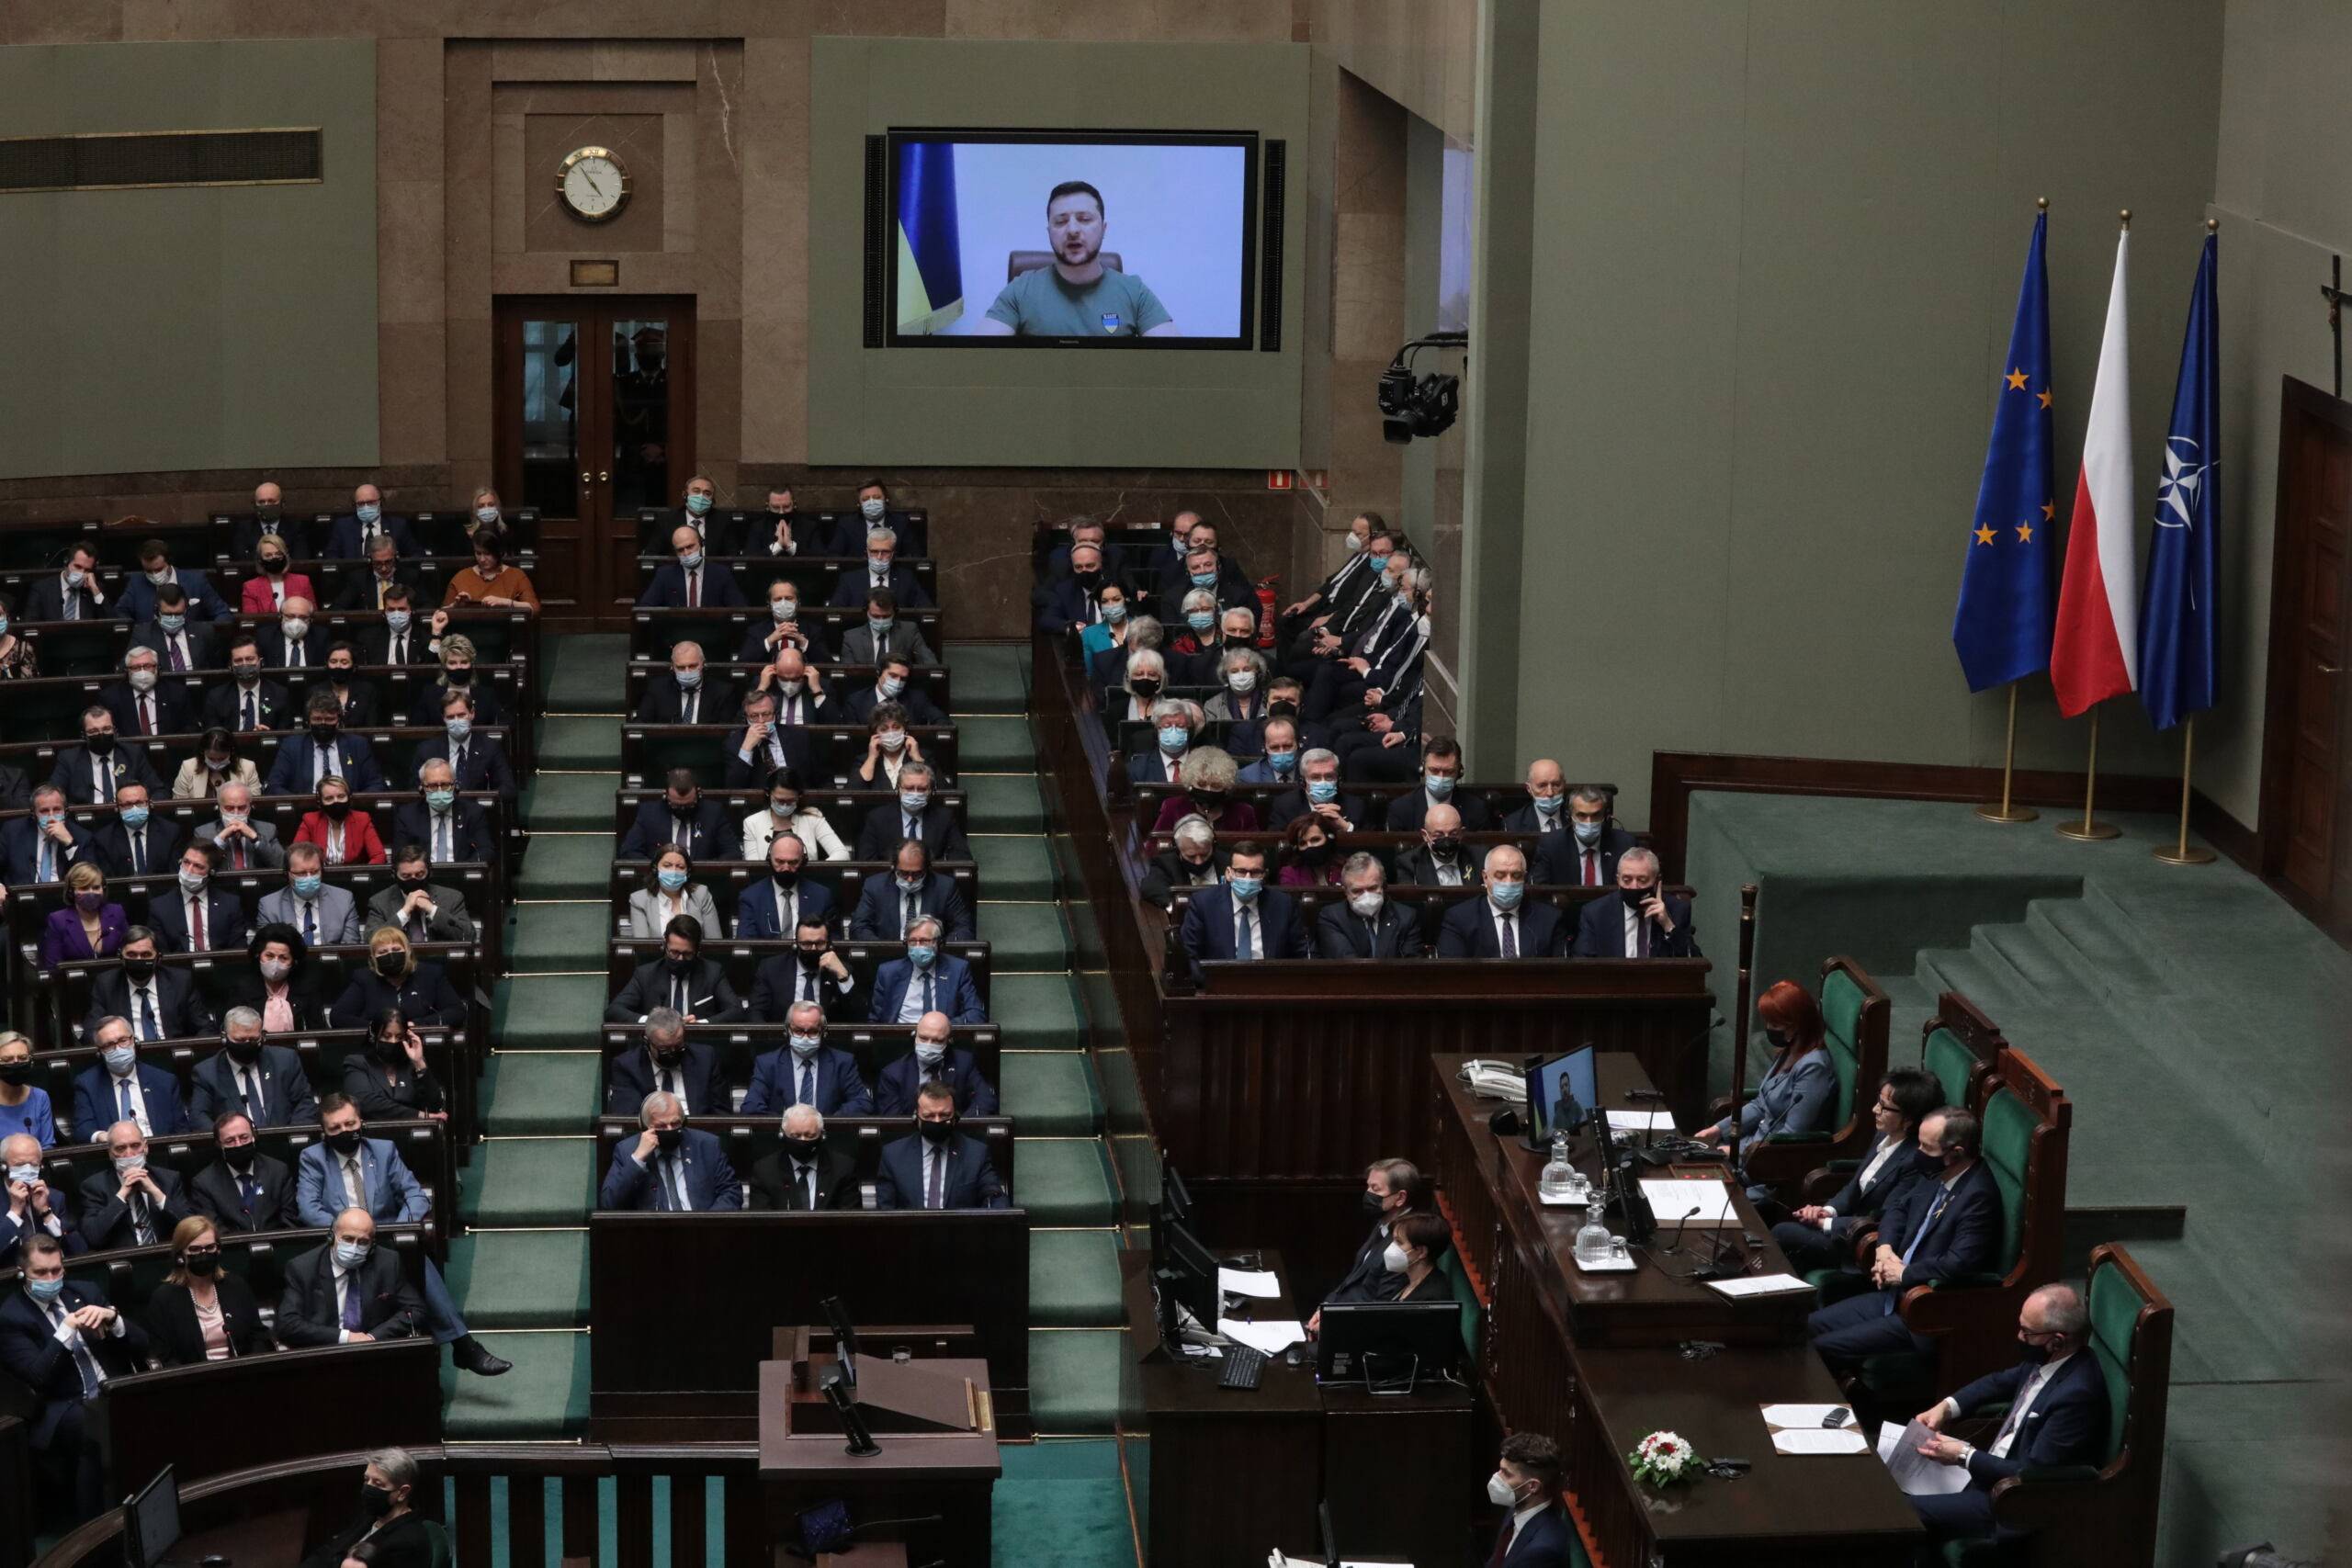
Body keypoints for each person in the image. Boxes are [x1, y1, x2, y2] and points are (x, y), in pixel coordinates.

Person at [293, 1100, 509, 1373]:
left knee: (415, 1257)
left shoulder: (383, 1151)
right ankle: (463, 1345)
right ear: (324, 1133)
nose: (345, 1131)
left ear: (362, 1122)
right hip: (342, 1245)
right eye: (335, 1128)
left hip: (387, 1240)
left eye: (350, 1124)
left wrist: (398, 1229)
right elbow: (309, 1210)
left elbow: (416, 1196)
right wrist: (349, 1231)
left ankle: (462, 1346)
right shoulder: (313, 1158)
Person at [1905, 1283, 2108, 1545]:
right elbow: (1996, 1383)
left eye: (2027, 1332)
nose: (2019, 1337)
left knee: (1902, 1510)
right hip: (1987, 1471)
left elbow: (2032, 1474)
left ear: (2057, 1340)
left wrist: (1964, 1456)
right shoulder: (2047, 1360)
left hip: (2009, 1502)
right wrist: (1944, 1408)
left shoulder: (2076, 1396)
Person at [1805, 1107, 1999, 1375]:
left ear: (1955, 1153)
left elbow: (1959, 1263)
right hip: (1891, 1296)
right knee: (1805, 1326)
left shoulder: (1978, 1196)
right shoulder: (1936, 1172)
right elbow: (1897, 1208)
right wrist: (1885, 1250)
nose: (1918, 1153)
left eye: (1926, 1147)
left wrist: (1904, 1273)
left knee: (1820, 1347)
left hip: (1921, 1313)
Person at [0, 1233, 148, 1523]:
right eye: (40, 1272)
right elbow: (38, 1376)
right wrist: (65, 1331)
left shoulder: (86, 1292)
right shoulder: (11, 1317)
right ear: (22, 1274)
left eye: (56, 1270)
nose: (51, 1277)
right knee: (92, 1427)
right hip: (61, 1406)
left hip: (111, 1390)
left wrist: (113, 1319)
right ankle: (96, 1527)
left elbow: (143, 1344)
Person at [1770, 1067, 1939, 1271]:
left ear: (1909, 1119)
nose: (1875, 1109)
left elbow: (1886, 1218)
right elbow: (1854, 1187)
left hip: (1863, 1242)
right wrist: (1827, 1211)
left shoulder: (1914, 1161)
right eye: (1878, 1101)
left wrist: (1825, 1224)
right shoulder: (1884, 1135)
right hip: (1846, 1224)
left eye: (1884, 1107)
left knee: (1781, 1232)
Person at [974, 178, 1174, 337]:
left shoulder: (1133, 291)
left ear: (1103, 229)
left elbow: (1175, 362)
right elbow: (977, 358)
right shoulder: (1021, 290)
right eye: (1060, 222)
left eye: (1084, 219)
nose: (1072, 230)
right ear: (1049, 232)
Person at [1695, 979, 1838, 1180]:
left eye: (1775, 1023)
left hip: (1769, 1166)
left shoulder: (1814, 1068)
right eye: (1768, 1021)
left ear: (1797, 1025)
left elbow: (1791, 1136)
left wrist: (1739, 1151)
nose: (1769, 1028)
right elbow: (1760, 1105)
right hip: (1750, 1147)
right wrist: (1717, 1130)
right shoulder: (1788, 1051)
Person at [276, 1209, 426, 1351]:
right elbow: (287, 1324)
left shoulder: (388, 1262)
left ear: (372, 1245)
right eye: (348, 1239)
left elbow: (415, 1310)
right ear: (331, 1237)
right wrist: (347, 1337)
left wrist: (374, 1337)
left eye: (362, 1242)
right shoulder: (303, 1268)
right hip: (323, 1353)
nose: (354, 1247)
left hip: (374, 1353)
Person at [1310, 1158, 1430, 1332]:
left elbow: (1379, 1309)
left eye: (1375, 1189)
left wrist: (1332, 1324)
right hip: (1337, 1315)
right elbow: (1352, 1280)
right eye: (1368, 1187)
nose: (1368, 1194)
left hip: (1354, 1330)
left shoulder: (1404, 1244)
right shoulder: (1383, 1223)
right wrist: (1326, 1307)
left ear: (1400, 1197)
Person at [143, 1215, 270, 1364]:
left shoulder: (236, 1286)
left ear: (218, 1250)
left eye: (210, 1247)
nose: (204, 1254)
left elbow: (259, 1336)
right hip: (193, 1380)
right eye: (195, 1249)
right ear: (180, 1255)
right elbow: (163, 1354)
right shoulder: (164, 1298)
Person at [599, 1091, 742, 1213]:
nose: (669, 1130)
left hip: (702, 1235)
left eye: (675, 1124)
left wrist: (707, 1224)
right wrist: (638, 1159)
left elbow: (731, 1192)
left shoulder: (706, 1145)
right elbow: (609, 1203)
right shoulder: (627, 1150)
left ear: (683, 1121)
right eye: (661, 1126)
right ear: (646, 1126)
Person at [1176, 840, 1306, 973]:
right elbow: (1189, 956)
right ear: (1229, 873)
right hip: (1219, 987)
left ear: (1264, 875)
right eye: (1241, 871)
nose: (1248, 878)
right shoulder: (1204, 904)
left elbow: (1299, 956)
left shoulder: (1284, 905)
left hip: (1271, 986)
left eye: (1255, 872)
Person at [876, 1083, 1009, 1209]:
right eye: (929, 1116)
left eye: (944, 1115)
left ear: (955, 1117)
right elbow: (885, 1210)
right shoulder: (893, 1155)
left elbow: (994, 1198)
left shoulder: (975, 1153)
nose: (937, 1121)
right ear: (916, 1117)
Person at [190, 1007, 320, 1128]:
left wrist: (293, 1135)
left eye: (253, 1039)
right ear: (224, 1038)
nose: (247, 1045)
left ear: (262, 1036)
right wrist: (228, 1138)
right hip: (235, 1147)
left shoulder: (285, 1060)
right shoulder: (206, 1073)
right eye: (240, 1040)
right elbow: (199, 1117)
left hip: (282, 1145)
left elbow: (304, 1103)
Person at [74, 1118, 192, 1251]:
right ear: (110, 1153)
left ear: (145, 1147)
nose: (129, 1154)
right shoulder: (94, 1187)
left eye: (135, 1146)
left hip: (166, 1256)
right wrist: (122, 1195)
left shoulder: (169, 1179)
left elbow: (191, 1230)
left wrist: (156, 1193)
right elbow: (93, 1237)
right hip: (125, 1261)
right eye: (120, 1148)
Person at [605, 917, 745, 1025]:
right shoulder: (646, 974)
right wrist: (651, 1021)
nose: (679, 959)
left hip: (698, 1046)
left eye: (687, 954)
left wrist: (700, 1024)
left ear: (697, 950)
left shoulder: (712, 972)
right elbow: (614, 1010)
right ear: (665, 945)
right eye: (674, 952)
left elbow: (736, 1011)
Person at [742, 1001, 871, 1116]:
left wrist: (821, 1123)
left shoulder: (842, 1062)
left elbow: (862, 1103)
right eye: (798, 1031)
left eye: (813, 1031)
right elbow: (751, 1107)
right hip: (783, 1138)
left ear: (824, 1032)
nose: (805, 1037)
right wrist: (789, 1124)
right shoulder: (768, 1063)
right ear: (786, 1031)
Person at [1436, 845, 1566, 958]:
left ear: (1525, 878)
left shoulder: (1549, 919)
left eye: (1516, 876)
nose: (1508, 882)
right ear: (1485, 877)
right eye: (1500, 875)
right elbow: (1452, 976)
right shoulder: (1459, 919)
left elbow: (1559, 975)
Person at [85, 932, 215, 1043]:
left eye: (146, 955)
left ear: (158, 958)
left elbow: (204, 1027)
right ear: (120, 957)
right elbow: (92, 1032)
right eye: (132, 955)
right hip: (126, 1056)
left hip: (173, 1054)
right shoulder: (106, 984)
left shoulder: (180, 981)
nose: (139, 960)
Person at [73, 1014, 189, 1137]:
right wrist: (102, 1137)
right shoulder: (88, 1084)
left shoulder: (164, 1081)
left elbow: (182, 1130)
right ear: (100, 1051)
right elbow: (82, 1129)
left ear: (133, 1041)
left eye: (123, 1040)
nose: (118, 1049)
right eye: (108, 1045)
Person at [1572, 848, 1700, 959]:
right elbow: (1582, 964)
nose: (1634, 887)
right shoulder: (1596, 913)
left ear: (1657, 881)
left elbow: (1694, 963)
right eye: (1627, 880)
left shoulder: (1676, 910)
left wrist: (1668, 925)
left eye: (1642, 880)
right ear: (1618, 880)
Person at [332, 926, 468, 1029]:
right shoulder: (364, 979)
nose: (390, 955)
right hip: (378, 1051)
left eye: (396, 950)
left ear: (408, 952)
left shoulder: (430, 974)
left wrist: (417, 1024)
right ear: (374, 959)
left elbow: (456, 1012)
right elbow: (338, 1017)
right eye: (383, 952)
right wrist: (381, 1028)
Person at [189, 1110, 298, 1234]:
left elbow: (290, 1221)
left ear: (254, 1137)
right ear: (219, 1145)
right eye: (230, 1141)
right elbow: (213, 1230)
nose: (238, 1144)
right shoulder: (204, 1183)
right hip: (232, 1250)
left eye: (244, 1138)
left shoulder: (278, 1171)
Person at [876, 1010, 998, 1116]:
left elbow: (985, 1101)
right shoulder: (893, 1074)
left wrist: (956, 1125)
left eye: (937, 1041)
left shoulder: (964, 1062)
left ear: (949, 1041)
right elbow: (894, 1121)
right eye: (923, 1038)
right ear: (914, 1036)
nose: (928, 1045)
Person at [605, 1008, 725, 1117]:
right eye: (664, 1049)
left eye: (678, 1046)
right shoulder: (627, 1066)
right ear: (647, 1043)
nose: (673, 1053)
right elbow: (628, 1116)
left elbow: (721, 1113)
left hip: (697, 1134)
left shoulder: (705, 1058)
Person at [852, 838, 977, 940]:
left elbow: (964, 928)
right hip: (887, 960)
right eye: (904, 873)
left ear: (927, 869)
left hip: (933, 957)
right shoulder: (875, 886)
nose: (910, 880)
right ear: (893, 867)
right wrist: (883, 949)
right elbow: (859, 927)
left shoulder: (945, 887)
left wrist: (936, 947)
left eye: (917, 874)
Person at [869, 916, 987, 1024]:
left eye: (924, 941)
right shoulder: (888, 972)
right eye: (913, 941)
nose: (918, 946)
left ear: (938, 943)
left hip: (942, 1039)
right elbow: (875, 1020)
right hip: (900, 1041)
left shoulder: (957, 969)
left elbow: (975, 1014)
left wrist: (941, 1027)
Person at [1484, 1432, 1577, 1568]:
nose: (1497, 1477)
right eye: (1500, 1469)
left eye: (1506, 1474)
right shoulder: (1516, 1508)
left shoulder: (1543, 1550)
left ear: (1532, 1486)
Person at [266, 692, 387, 795]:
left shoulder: (358, 745)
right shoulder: (292, 746)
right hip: (305, 813)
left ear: (338, 721)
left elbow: (376, 784)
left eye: (329, 719)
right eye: (317, 719)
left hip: (348, 809)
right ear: (308, 721)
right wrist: (300, 803)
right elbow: (274, 786)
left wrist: (349, 801)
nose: (323, 724)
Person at [342, 1009, 448, 1124]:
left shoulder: (412, 1065)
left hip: (414, 1135)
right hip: (374, 1136)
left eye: (399, 1037)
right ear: (374, 1037)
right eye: (386, 1036)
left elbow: (434, 1104)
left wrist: (419, 1063)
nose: (393, 1042)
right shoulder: (356, 1063)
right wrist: (419, 1115)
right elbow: (366, 1103)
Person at [854, 761, 971, 863]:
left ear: (931, 791)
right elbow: (866, 860)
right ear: (898, 789)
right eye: (909, 788)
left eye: (922, 789)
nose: (915, 793)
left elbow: (962, 857)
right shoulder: (877, 818)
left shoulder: (944, 818)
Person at [1315, 852, 1426, 959]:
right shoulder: (1332, 918)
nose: (1366, 896)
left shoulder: (1406, 917)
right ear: (1346, 892)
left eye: (1372, 888)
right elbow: (1346, 963)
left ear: (1383, 886)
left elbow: (1411, 967)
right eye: (1357, 891)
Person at [226, 924, 334, 1033]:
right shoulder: (242, 989)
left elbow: (316, 1030)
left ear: (293, 962)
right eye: (269, 956)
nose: (275, 962)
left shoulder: (308, 988)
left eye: (283, 958)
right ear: (258, 955)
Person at [750, 1103, 859, 1211]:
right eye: (795, 1136)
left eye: (809, 1136)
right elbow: (762, 1223)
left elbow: (850, 1221)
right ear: (782, 1135)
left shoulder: (843, 1169)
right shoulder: (765, 1171)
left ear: (822, 1136)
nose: (802, 1141)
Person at [418, 687, 519, 800]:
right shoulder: (427, 750)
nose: (456, 721)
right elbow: (415, 790)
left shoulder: (489, 747)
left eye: (461, 715)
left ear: (472, 714)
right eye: (451, 717)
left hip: (476, 813)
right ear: (443, 718)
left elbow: (508, 787)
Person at [751, 916, 860, 1021]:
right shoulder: (771, 969)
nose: (813, 949)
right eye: (806, 944)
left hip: (826, 1037)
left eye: (820, 943)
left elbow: (859, 1015)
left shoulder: (841, 969)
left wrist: (843, 977)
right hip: (784, 1037)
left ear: (829, 945)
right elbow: (755, 1013)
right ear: (796, 944)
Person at [51, 705, 164, 806]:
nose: (101, 735)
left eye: (106, 729)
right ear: (83, 735)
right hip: (86, 824)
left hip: (127, 817)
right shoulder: (69, 759)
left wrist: (143, 808)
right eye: (93, 731)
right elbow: (54, 796)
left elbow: (158, 790)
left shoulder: (132, 754)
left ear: (115, 731)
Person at [368, 842, 478, 943]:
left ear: (429, 872)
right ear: (394, 875)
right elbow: (371, 940)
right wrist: (404, 912)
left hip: (440, 961)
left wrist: (432, 909)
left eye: (419, 875)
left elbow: (468, 936)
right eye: (406, 876)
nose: (413, 880)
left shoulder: (452, 898)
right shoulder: (379, 902)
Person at [260, 841, 363, 948]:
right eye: (301, 873)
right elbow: (267, 950)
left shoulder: (344, 900)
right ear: (287, 874)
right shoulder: (269, 906)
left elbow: (350, 948)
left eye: (314, 872)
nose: (309, 878)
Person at [391, 760, 494, 864]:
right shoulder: (407, 815)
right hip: (423, 876)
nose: (440, 791)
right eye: (433, 786)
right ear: (422, 789)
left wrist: (463, 869)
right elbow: (399, 855)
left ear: (455, 786)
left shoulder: (472, 812)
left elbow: (486, 851)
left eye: (445, 785)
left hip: (461, 876)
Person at [735, 832, 836, 939]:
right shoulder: (751, 898)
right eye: (780, 861)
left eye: (793, 862)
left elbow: (833, 941)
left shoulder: (822, 896)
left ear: (803, 861)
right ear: (769, 860)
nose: (786, 868)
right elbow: (746, 942)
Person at [1537, 784, 1637, 887]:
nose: (1589, 822)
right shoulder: (1551, 845)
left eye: (1596, 815)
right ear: (1569, 817)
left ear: (1605, 817)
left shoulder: (1625, 844)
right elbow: (1540, 892)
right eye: (1582, 815)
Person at [619, 769, 730, 862]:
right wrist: (659, 868)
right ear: (666, 795)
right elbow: (629, 851)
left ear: (698, 794)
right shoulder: (649, 813)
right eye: (676, 805)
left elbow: (732, 853)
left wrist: (698, 869)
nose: (682, 810)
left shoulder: (713, 813)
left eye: (689, 805)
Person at [740, 769, 851, 862]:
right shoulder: (752, 822)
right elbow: (753, 865)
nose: (784, 805)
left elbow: (842, 854)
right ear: (768, 794)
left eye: (790, 801)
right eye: (779, 800)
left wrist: (812, 872)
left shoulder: (813, 816)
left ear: (799, 796)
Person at [1383, 737, 1489, 831]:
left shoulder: (1476, 809)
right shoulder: (1401, 809)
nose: (1441, 777)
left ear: (1459, 772)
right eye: (1434, 770)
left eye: (1449, 772)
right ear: (1422, 769)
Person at [1148, 746, 1257, 836]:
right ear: (1190, 783)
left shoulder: (1244, 812)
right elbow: (1153, 848)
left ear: (1226, 787)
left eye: (1216, 785)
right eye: (1201, 784)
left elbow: (1255, 850)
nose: (1208, 790)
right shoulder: (1172, 807)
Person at [723, 686, 818, 786]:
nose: (761, 721)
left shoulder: (799, 736)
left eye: (766, 714)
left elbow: (819, 777)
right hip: (758, 800)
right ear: (747, 718)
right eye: (754, 716)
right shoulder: (734, 743)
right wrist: (746, 748)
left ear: (775, 715)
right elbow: (733, 786)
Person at [408, 630, 506, 726]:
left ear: (471, 664)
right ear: (444, 666)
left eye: (464, 662)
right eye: (452, 663)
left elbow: (503, 725)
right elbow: (418, 730)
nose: (459, 667)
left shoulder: (487, 696)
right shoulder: (430, 694)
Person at [1, 785, 96, 885]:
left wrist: (69, 843)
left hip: (64, 896)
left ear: (65, 812)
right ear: (34, 814)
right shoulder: (12, 832)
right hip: (23, 896)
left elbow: (89, 878)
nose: (51, 817)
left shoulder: (82, 836)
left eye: (57, 809)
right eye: (44, 811)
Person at [40, 862, 128, 969]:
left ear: (103, 889)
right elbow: (53, 967)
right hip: (75, 983)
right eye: (84, 888)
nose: (91, 893)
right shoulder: (58, 920)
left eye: (96, 888)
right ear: (71, 892)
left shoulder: (116, 912)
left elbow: (128, 951)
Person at [628, 845, 726, 940]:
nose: (673, 871)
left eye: (680, 867)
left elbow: (715, 942)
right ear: (655, 869)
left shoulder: (701, 894)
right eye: (667, 866)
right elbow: (643, 948)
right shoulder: (639, 900)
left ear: (687, 872)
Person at [639, 524, 746, 608]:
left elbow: (739, 607)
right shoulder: (664, 575)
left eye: (690, 546)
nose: (686, 553)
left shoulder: (721, 574)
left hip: (711, 631)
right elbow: (645, 607)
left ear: (701, 544)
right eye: (680, 550)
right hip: (677, 632)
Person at [199, 637, 293, 733]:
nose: (244, 664)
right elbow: (212, 735)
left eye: (250, 659)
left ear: (260, 662)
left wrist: (270, 734)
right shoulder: (217, 697)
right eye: (238, 660)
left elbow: (287, 735)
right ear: (231, 665)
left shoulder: (280, 694)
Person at [1, 1132, 70, 1262]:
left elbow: (74, 1250)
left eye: (33, 1164)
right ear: (3, 1167)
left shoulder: (54, 1198)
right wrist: (14, 1212)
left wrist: (46, 1212)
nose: (27, 1170)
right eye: (20, 1165)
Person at [637, 639, 739, 725]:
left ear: (703, 664)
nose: (687, 671)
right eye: (681, 667)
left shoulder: (723, 692)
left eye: (692, 666)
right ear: (672, 666)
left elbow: (726, 731)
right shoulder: (657, 689)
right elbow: (641, 722)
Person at [828, 525, 933, 609]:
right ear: (867, 552)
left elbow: (926, 608)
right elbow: (835, 611)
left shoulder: (906, 578)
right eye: (874, 552)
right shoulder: (849, 579)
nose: (879, 557)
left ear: (893, 553)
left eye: (885, 552)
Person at [1265, 747, 1366, 833]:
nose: (1323, 782)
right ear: (1303, 782)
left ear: (1338, 779)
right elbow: (1276, 844)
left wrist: (1346, 827)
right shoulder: (1284, 805)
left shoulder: (1355, 805)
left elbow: (1370, 844)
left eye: (1329, 776)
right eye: (1315, 777)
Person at [740, 575, 835, 664]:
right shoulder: (756, 631)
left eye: (789, 598)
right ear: (769, 604)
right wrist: (769, 641)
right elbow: (742, 664)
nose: (783, 603)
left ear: (798, 602)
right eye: (778, 599)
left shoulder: (814, 630)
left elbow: (828, 665)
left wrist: (803, 642)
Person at [94, 781, 179, 880]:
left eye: (139, 803)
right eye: (127, 804)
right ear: (117, 808)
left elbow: (174, 877)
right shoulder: (104, 839)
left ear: (149, 803)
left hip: (161, 893)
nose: (135, 809)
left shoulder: (170, 832)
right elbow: (107, 880)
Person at [102, 646, 194, 738]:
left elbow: (190, 729)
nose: (142, 672)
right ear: (127, 671)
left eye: (147, 666)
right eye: (135, 668)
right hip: (129, 750)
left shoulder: (177, 693)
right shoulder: (111, 697)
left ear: (157, 668)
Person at [193, 781, 286, 872]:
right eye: (229, 808)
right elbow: (197, 867)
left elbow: (282, 864)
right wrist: (220, 839)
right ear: (220, 808)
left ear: (249, 808)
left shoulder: (267, 830)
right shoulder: (203, 832)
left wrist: (255, 838)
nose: (236, 813)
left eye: (241, 808)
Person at [296, 775, 388, 866]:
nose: (336, 801)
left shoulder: (362, 819)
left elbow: (379, 856)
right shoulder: (311, 820)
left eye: (341, 796)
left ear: (349, 798)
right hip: (319, 877)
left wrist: (362, 874)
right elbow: (297, 855)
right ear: (320, 802)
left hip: (353, 877)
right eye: (329, 798)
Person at [442, 525, 538, 611]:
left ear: (499, 552)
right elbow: (441, 613)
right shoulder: (461, 577)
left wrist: (506, 603)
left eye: (487, 553)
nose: (482, 559)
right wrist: (456, 606)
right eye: (478, 553)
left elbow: (534, 608)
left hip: (506, 628)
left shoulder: (516, 575)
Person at [1140, 814, 1228, 907]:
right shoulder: (1166, 864)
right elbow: (1150, 888)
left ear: (1213, 847)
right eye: (1191, 856)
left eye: (1204, 855)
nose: (1199, 862)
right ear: (1178, 851)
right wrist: (1174, 906)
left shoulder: (1229, 862)